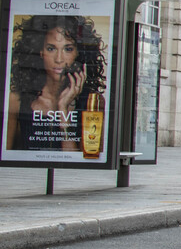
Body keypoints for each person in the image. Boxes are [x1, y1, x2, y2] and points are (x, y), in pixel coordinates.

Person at [6, 14, 107, 151]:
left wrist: (63, 113)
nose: (59, 59)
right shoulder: (16, 100)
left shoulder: (92, 101)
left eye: (68, 49)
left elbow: (87, 161)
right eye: (51, 48)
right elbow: (6, 157)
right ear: (40, 52)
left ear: (78, 53)